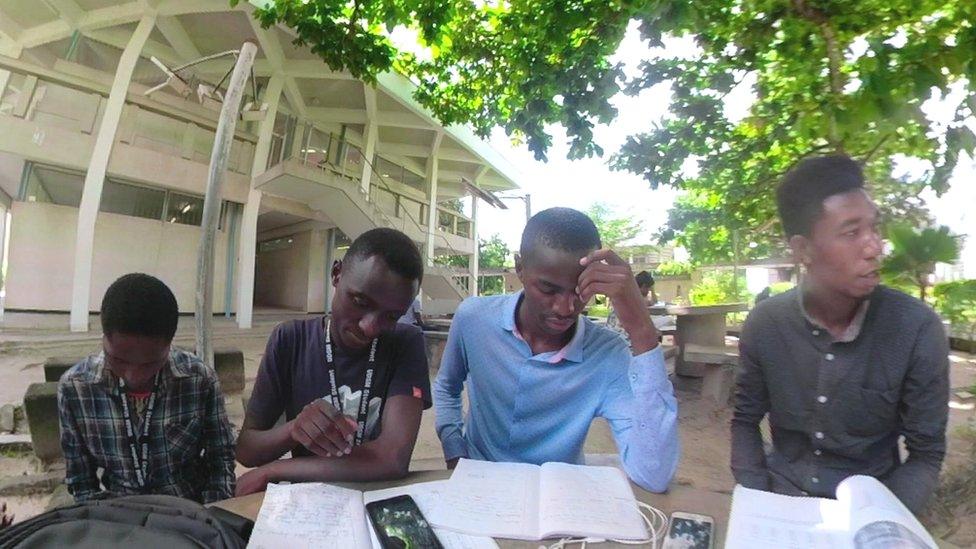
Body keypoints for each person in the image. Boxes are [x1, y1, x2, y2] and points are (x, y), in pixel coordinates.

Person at [730, 155, 949, 514]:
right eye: (851, 233)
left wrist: (883, 525)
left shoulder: (915, 329)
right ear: (803, 250)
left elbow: (926, 454)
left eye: (874, 228)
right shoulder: (766, 325)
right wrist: (757, 501)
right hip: (780, 498)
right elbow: (744, 421)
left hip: (872, 507)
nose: (874, 247)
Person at [433, 207, 679, 492]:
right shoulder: (473, 319)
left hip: (559, 499)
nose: (565, 309)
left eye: (580, 291)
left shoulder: (607, 355)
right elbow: (447, 386)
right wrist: (455, 451)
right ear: (520, 268)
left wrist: (642, 331)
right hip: (478, 482)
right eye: (548, 289)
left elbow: (653, 474)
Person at [235, 228, 432, 495]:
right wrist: (295, 429)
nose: (369, 327)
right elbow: (247, 450)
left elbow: (392, 459)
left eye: (391, 316)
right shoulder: (291, 340)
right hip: (309, 502)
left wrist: (274, 470)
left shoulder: (405, 342)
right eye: (360, 301)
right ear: (336, 274)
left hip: (378, 497)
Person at [58, 273, 235, 503]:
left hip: (187, 513)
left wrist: (212, 517)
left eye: (150, 363)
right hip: (117, 516)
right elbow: (81, 482)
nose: (134, 375)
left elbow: (220, 459)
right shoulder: (76, 389)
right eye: (119, 360)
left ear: (169, 344)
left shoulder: (199, 380)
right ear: (104, 338)